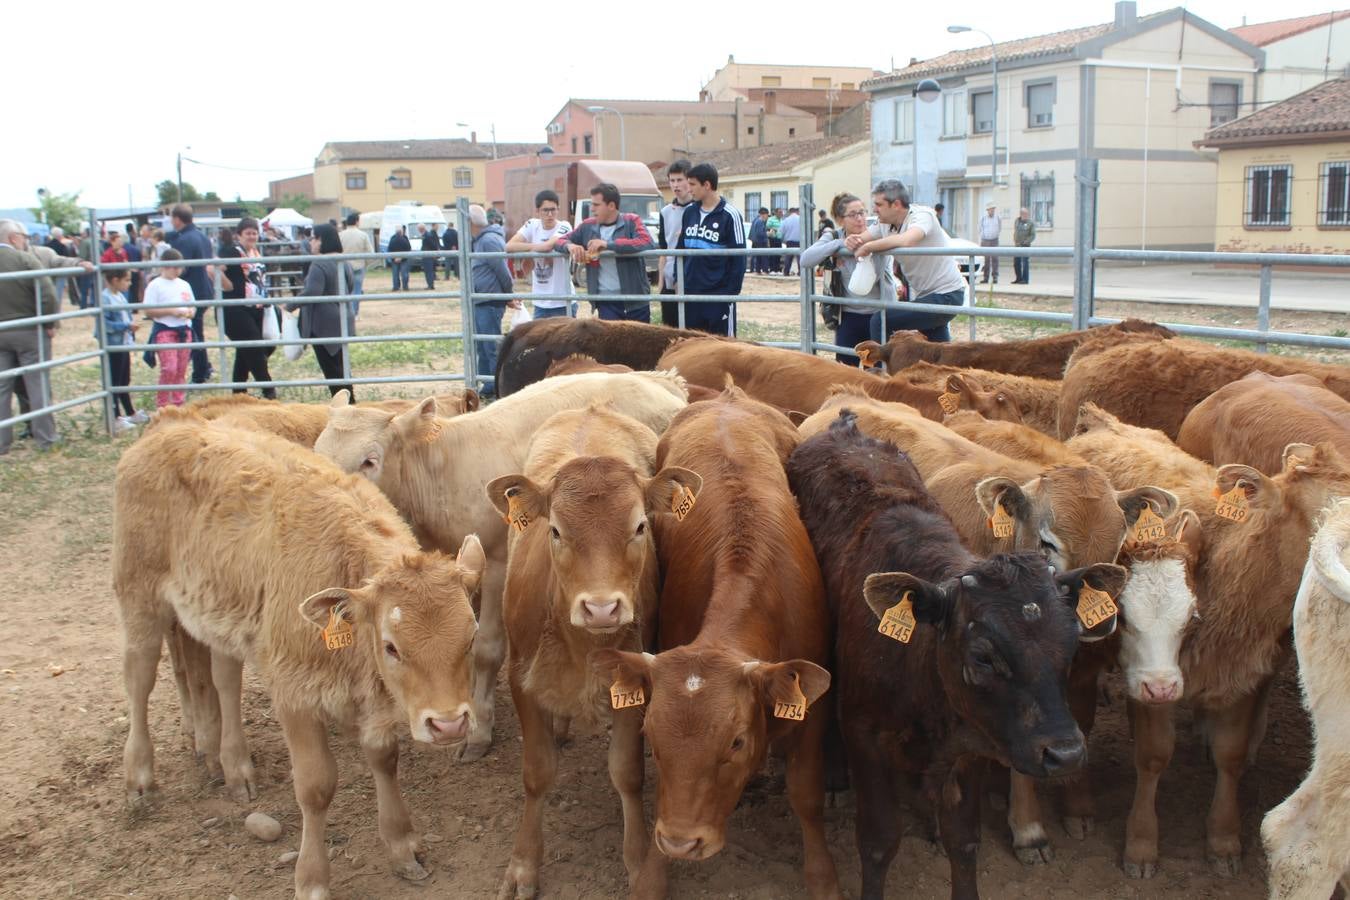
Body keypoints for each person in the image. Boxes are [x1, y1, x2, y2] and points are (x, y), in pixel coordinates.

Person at [852, 179, 967, 343]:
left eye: (879, 204)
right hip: (925, 296)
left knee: (880, 320)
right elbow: (861, 239)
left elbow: (908, 239)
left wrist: (869, 247)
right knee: (936, 350)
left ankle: (880, 368)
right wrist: (852, 241)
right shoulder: (885, 223)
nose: (874, 209)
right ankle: (946, 367)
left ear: (896, 204)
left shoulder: (922, 215)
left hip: (946, 295)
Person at [801, 192, 898, 365]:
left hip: (880, 314)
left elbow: (871, 278)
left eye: (862, 212)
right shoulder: (834, 236)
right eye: (853, 215)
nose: (860, 219)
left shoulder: (877, 234)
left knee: (877, 372)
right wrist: (839, 245)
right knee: (845, 367)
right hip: (849, 314)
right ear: (840, 220)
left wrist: (867, 246)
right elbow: (806, 259)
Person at [0, 219, 60, 453]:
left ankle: (2, 442)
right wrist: (49, 321)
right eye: (24, 238)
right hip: (28, 330)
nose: (26, 242)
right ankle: (46, 438)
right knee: (37, 384)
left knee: (2, 387)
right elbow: (47, 293)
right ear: (14, 238)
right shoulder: (24, 259)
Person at [558, 182, 653, 323]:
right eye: (592, 204)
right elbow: (559, 241)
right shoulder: (587, 225)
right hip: (606, 302)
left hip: (636, 300)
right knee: (610, 345)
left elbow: (646, 242)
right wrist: (570, 247)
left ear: (611, 206)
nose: (591, 209)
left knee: (638, 344)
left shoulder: (632, 220)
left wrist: (608, 245)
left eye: (596, 205)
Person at [677, 163, 745, 336]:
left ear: (706, 185)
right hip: (691, 294)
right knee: (692, 347)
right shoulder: (689, 212)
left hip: (718, 295)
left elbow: (739, 258)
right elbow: (680, 250)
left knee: (723, 349)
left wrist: (729, 293)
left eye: (692, 184)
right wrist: (678, 280)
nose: (688, 189)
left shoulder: (730, 215)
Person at [288, 224, 355, 398]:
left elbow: (312, 292)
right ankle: (350, 401)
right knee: (341, 366)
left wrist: (289, 305)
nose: (312, 242)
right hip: (343, 318)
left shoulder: (319, 263)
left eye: (314, 238)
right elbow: (351, 286)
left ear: (322, 240)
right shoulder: (344, 261)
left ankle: (345, 405)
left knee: (332, 370)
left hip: (323, 323)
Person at [219, 217, 275, 398]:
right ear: (239, 235)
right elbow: (213, 269)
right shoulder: (232, 252)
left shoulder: (256, 253)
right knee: (254, 350)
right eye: (248, 233)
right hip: (236, 309)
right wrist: (228, 286)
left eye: (254, 233)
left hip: (256, 308)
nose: (251, 236)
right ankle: (269, 391)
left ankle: (238, 393)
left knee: (245, 353)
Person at [165, 203, 216, 383]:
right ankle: (204, 367)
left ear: (177, 219)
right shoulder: (201, 236)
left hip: (191, 291)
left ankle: (201, 371)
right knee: (196, 331)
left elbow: (181, 268)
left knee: (193, 333)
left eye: (172, 218)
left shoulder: (184, 240)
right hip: (204, 289)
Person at [507, 189, 575, 319]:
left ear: (558, 209)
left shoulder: (564, 226)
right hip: (540, 302)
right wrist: (534, 248)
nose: (550, 214)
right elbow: (509, 246)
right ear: (537, 211)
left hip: (563, 301)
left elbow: (548, 246)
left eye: (553, 209)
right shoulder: (532, 224)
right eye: (545, 210)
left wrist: (529, 248)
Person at [141, 248, 196, 408]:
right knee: (169, 368)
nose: (179, 270)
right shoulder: (155, 285)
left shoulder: (184, 284)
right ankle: (163, 404)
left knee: (181, 368)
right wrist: (171, 311)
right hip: (165, 329)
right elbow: (148, 310)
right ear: (166, 266)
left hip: (184, 330)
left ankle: (178, 403)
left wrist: (190, 312)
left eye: (180, 267)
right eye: (175, 267)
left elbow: (193, 305)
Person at [468, 205, 512, 398]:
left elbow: (503, 272)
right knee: (482, 346)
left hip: (490, 301)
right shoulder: (480, 241)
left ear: (470, 223)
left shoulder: (489, 241)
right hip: (482, 300)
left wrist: (507, 295)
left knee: (491, 347)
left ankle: (498, 388)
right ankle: (488, 386)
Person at [99, 269, 142, 431]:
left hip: (123, 343)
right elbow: (106, 325)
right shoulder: (106, 298)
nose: (129, 283)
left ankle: (130, 412)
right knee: (115, 382)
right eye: (127, 280)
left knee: (124, 380)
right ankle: (115, 416)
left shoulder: (119, 296)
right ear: (115, 280)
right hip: (113, 345)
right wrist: (126, 326)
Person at [657, 159, 694, 325]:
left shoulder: (700, 209)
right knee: (670, 329)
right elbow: (663, 250)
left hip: (692, 280)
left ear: (689, 181)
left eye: (680, 180)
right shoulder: (665, 212)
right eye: (672, 181)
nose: (675, 185)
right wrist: (660, 283)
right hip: (670, 281)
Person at [338, 213, 373, 316]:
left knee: (344, 290)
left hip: (344, 266)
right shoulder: (363, 235)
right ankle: (355, 313)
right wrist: (365, 263)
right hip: (359, 266)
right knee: (357, 290)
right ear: (357, 221)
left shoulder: (340, 235)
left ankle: (346, 313)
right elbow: (370, 252)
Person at [979, 202, 1001, 284]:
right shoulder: (983, 218)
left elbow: (999, 227)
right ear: (987, 210)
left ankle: (995, 277)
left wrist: (996, 235)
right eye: (990, 209)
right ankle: (986, 277)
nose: (992, 211)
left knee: (995, 259)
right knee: (986, 260)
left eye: (993, 209)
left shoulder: (998, 217)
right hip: (985, 240)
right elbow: (980, 228)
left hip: (994, 240)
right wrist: (983, 238)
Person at [1013, 207, 1036, 284]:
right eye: (1024, 214)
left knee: (1025, 263)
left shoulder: (1030, 223)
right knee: (1016, 263)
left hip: (1025, 246)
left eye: (1027, 214)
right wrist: (1015, 240)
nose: (1026, 215)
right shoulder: (1017, 221)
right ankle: (1018, 278)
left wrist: (1026, 242)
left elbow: (1033, 235)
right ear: (1021, 214)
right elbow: (1015, 231)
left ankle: (1025, 280)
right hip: (1017, 245)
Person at [76, 226, 97, 309]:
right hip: (96, 267)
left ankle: (83, 306)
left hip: (87, 268)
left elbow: (82, 256)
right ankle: (95, 306)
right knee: (95, 289)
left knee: (84, 289)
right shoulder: (96, 241)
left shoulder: (84, 242)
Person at [387, 225, 411, 291]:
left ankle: (396, 287)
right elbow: (408, 249)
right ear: (401, 231)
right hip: (404, 259)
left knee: (395, 274)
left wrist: (394, 258)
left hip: (395, 260)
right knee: (404, 274)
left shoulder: (392, 238)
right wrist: (401, 258)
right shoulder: (405, 238)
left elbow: (389, 249)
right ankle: (405, 287)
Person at [780, 206, 802, 276]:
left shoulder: (786, 220)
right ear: (796, 211)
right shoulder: (800, 219)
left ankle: (786, 272)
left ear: (790, 212)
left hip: (789, 241)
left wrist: (783, 239)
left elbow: (781, 231)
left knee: (788, 258)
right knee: (800, 258)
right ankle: (801, 272)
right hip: (799, 241)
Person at [747, 208, 770, 276]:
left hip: (755, 241)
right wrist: (767, 234)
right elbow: (760, 233)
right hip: (761, 241)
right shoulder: (760, 221)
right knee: (763, 256)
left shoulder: (755, 220)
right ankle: (765, 270)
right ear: (764, 214)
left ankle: (757, 270)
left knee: (758, 257)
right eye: (767, 215)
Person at [420, 223, 441, 290]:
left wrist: (434, 253)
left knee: (428, 271)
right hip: (427, 255)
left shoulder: (427, 235)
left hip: (428, 256)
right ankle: (430, 284)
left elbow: (433, 245)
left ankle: (430, 285)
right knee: (428, 271)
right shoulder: (426, 234)